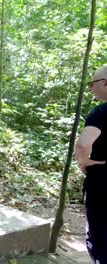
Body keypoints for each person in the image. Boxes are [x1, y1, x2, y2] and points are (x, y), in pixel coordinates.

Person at [75, 65, 107, 264]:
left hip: (103, 182)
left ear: (105, 82)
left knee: (100, 235)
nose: (90, 88)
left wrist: (84, 162)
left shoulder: (102, 112)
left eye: (92, 83)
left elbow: (83, 144)